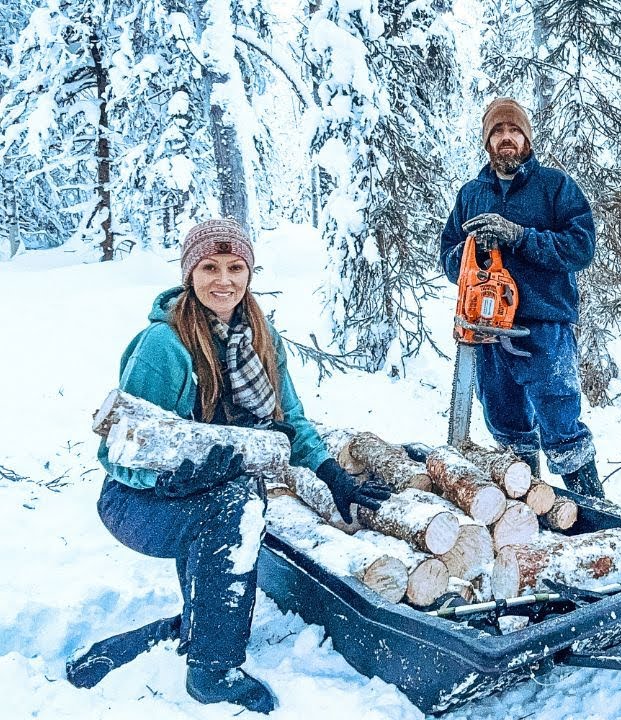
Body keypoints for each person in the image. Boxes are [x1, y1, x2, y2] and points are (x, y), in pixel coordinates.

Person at [68, 218, 391, 713]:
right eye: (210, 267)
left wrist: (332, 476)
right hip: (135, 501)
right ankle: (212, 670)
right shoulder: (164, 346)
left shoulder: (261, 337)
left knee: (234, 495)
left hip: (202, 491)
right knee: (237, 504)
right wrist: (169, 477)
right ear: (189, 273)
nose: (224, 280)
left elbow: (290, 420)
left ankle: (192, 629)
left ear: (250, 273)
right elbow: (118, 451)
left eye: (235, 267)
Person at [439, 97, 605, 498]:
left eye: (514, 130)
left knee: (560, 421)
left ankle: (593, 506)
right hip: (487, 329)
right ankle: (526, 507)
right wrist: (471, 254)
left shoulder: (555, 187)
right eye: (498, 132)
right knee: (506, 426)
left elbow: (581, 246)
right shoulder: (471, 195)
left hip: (543, 326)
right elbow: (448, 255)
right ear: (488, 142)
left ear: (527, 138)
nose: (506, 138)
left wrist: (520, 237)